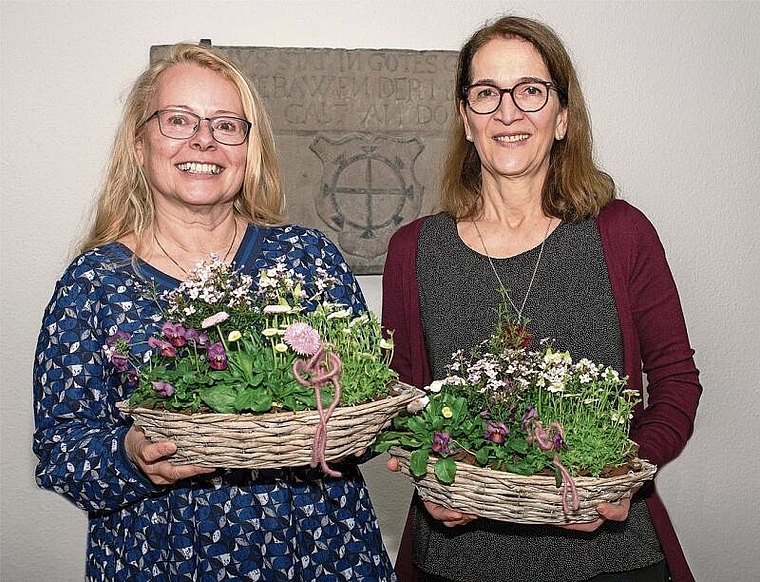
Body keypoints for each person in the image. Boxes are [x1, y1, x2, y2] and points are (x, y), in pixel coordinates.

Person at [33, 43, 396, 581]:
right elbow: (62, 451)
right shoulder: (94, 284)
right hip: (163, 554)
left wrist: (346, 427)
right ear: (139, 143)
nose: (203, 140)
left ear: (249, 149)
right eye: (179, 120)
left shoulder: (306, 257)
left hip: (319, 550)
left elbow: (366, 409)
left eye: (227, 125)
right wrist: (131, 454)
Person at [382, 15, 701, 582]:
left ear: (562, 117)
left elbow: (676, 381)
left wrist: (631, 473)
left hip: (609, 556)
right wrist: (423, 472)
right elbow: (400, 400)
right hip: (458, 562)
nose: (508, 112)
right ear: (465, 117)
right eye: (486, 93)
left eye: (530, 90)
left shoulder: (622, 234)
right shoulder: (413, 250)